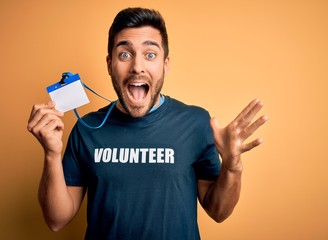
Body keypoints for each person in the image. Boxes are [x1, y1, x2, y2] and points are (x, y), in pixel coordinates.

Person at [27, 7, 268, 240]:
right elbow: (56, 220)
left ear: (165, 64)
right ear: (110, 64)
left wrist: (232, 167)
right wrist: (51, 154)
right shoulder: (86, 129)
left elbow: (219, 212)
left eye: (150, 54)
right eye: (125, 54)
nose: (137, 67)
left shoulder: (196, 123)